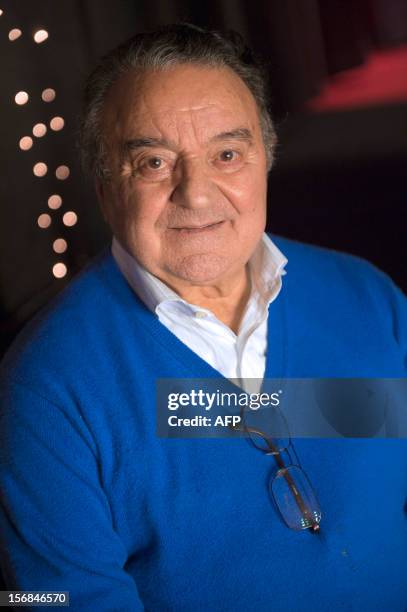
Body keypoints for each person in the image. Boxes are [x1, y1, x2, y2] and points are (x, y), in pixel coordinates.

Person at [0, 23, 406, 610]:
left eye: (227, 154)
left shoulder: (367, 298)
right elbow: (50, 602)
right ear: (104, 186)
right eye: (154, 163)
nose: (196, 192)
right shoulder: (43, 392)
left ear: (264, 159)